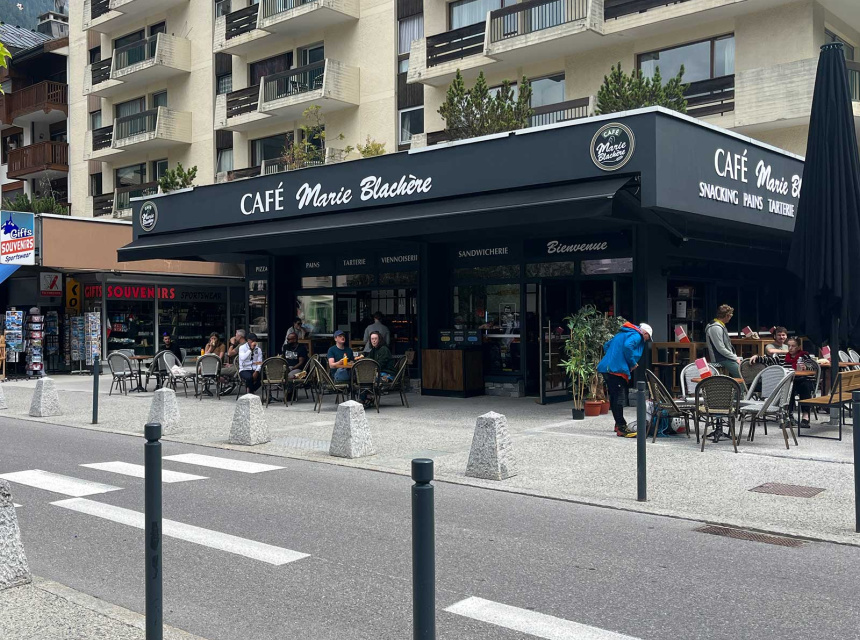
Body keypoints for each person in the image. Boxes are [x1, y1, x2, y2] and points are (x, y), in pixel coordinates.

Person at [596, 322, 653, 438]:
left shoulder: (622, 334)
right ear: (645, 333)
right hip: (616, 370)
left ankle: (618, 424)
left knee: (614, 396)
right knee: (619, 398)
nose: (647, 340)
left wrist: (614, 356)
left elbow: (607, 345)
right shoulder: (637, 335)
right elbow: (628, 346)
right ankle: (621, 427)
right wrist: (632, 363)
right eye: (648, 337)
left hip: (606, 368)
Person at [754, 337, 816, 427]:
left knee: (804, 386)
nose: (790, 348)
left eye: (793, 346)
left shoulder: (804, 356)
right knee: (788, 386)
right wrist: (757, 357)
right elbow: (769, 360)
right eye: (789, 346)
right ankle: (788, 416)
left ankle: (805, 416)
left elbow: (812, 367)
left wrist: (805, 367)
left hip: (803, 380)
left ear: (798, 347)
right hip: (789, 381)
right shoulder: (783, 357)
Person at [705, 305, 742, 378]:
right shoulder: (715, 328)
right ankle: (740, 386)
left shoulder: (720, 326)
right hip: (721, 359)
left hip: (726, 358)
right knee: (741, 374)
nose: (730, 318)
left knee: (745, 369)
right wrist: (735, 358)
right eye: (730, 316)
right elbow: (720, 348)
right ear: (727, 316)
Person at [219, 329, 246, 395]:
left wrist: (232, 343)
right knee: (224, 367)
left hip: (238, 368)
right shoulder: (243, 344)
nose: (235, 337)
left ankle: (229, 384)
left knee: (217, 371)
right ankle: (229, 382)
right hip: (237, 366)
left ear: (240, 336)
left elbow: (229, 353)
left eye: (236, 335)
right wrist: (231, 364)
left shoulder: (242, 345)